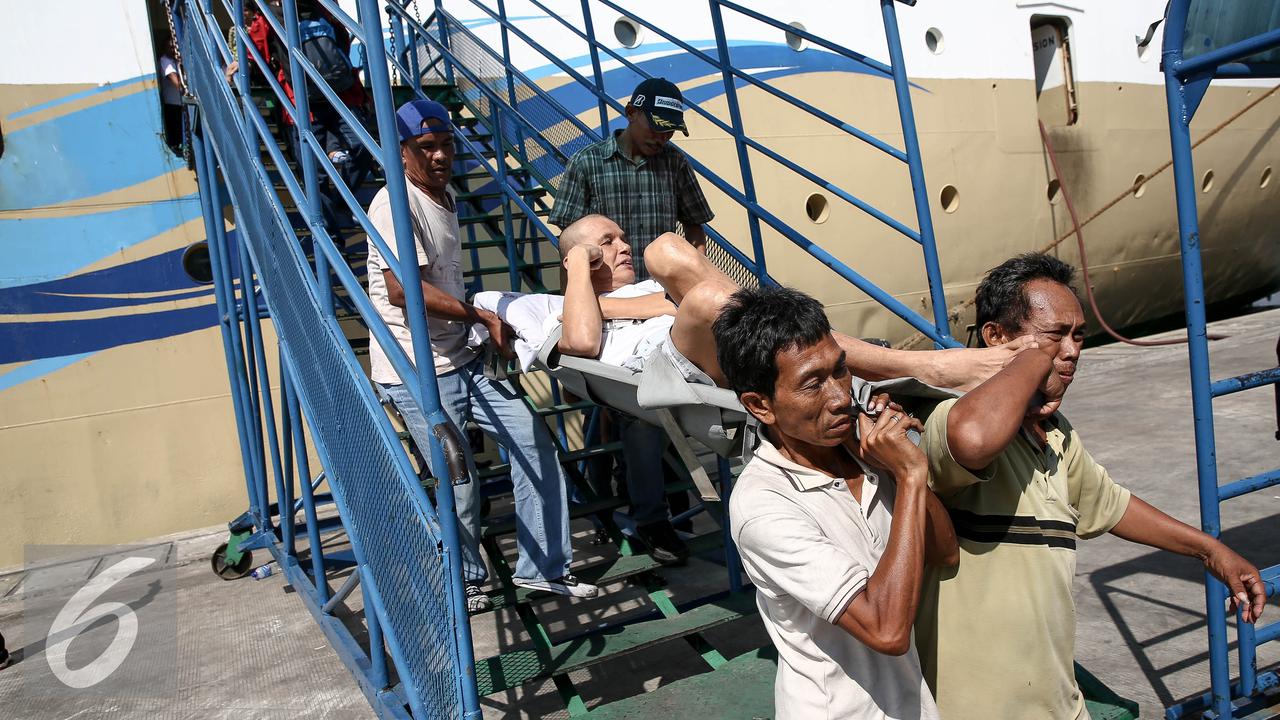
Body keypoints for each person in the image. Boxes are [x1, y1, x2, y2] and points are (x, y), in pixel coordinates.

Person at [913, 253, 1267, 720]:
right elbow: (974, 439)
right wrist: (1028, 360)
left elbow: (1111, 504)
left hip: (1057, 704)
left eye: (1079, 335)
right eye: (1054, 335)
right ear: (995, 337)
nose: (1071, 350)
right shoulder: (949, 416)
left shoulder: (1056, 432)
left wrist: (1209, 551)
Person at [366, 99, 598, 611]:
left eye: (446, 145)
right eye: (426, 147)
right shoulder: (394, 203)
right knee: (460, 482)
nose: (440, 156)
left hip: (460, 356)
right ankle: (466, 580)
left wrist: (479, 320)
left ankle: (543, 569)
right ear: (401, 151)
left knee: (534, 444)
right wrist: (481, 315)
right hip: (416, 368)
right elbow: (403, 291)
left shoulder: (443, 195)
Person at [717, 285, 956, 719]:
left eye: (840, 370)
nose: (841, 397)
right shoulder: (763, 506)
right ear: (759, 405)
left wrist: (895, 469)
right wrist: (910, 475)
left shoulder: (866, 457)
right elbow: (886, 630)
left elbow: (944, 552)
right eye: (813, 384)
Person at [550, 77, 714, 276]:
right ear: (630, 112)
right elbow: (569, 236)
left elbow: (694, 224)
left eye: (670, 131)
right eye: (656, 127)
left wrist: (698, 274)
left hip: (661, 286)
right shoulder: (587, 162)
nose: (662, 138)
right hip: (608, 286)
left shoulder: (676, 163)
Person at [157, 40, 184, 152]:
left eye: (174, 47)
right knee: (177, 138)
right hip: (172, 104)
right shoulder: (165, 61)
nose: (173, 50)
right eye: (170, 47)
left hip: (179, 103)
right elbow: (177, 82)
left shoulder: (176, 61)